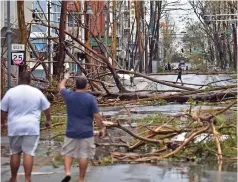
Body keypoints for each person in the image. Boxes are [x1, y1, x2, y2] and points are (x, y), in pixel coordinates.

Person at [1, 72, 51, 182]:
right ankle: (28, 179)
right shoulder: (36, 92)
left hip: (15, 127)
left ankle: (13, 178)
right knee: (29, 153)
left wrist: (2, 123)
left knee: (15, 152)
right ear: (30, 80)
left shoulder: (11, 92)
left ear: (19, 80)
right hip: (31, 127)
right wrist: (48, 120)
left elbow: (3, 110)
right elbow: (46, 108)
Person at [59, 73, 106, 182]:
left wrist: (65, 78)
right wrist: (101, 128)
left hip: (71, 131)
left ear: (75, 85)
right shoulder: (90, 98)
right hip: (86, 132)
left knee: (68, 152)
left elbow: (61, 87)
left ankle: (67, 173)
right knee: (84, 155)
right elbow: (97, 116)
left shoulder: (69, 95)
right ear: (86, 86)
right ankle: (81, 179)